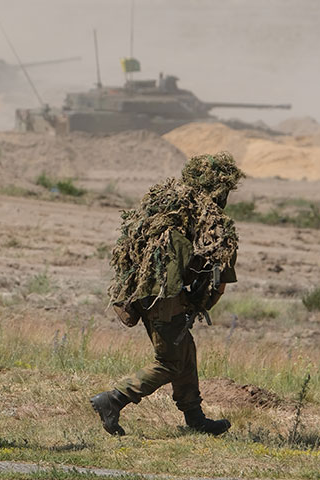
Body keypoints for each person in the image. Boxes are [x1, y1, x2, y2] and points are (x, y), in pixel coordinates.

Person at [91, 152, 245, 437]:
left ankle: (195, 417)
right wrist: (200, 303)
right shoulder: (211, 220)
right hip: (165, 299)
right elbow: (219, 281)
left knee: (185, 351)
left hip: (141, 293)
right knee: (170, 361)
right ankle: (113, 399)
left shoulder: (164, 203)